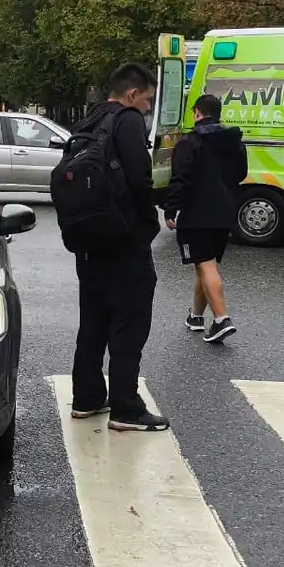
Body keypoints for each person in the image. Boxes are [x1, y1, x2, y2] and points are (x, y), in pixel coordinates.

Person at [69, 63, 168, 431]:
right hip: (125, 244)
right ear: (132, 94)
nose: (146, 107)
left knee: (92, 323)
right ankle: (126, 408)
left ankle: (87, 398)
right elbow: (140, 181)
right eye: (146, 100)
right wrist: (147, 223)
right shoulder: (127, 121)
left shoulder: (88, 120)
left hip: (88, 243)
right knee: (129, 325)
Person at [162, 94, 247, 343]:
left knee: (206, 264)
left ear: (197, 112)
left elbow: (180, 178)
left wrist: (170, 209)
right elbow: (241, 174)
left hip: (197, 214)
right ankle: (196, 316)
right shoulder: (235, 141)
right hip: (225, 213)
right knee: (204, 263)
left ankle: (221, 319)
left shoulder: (190, 142)